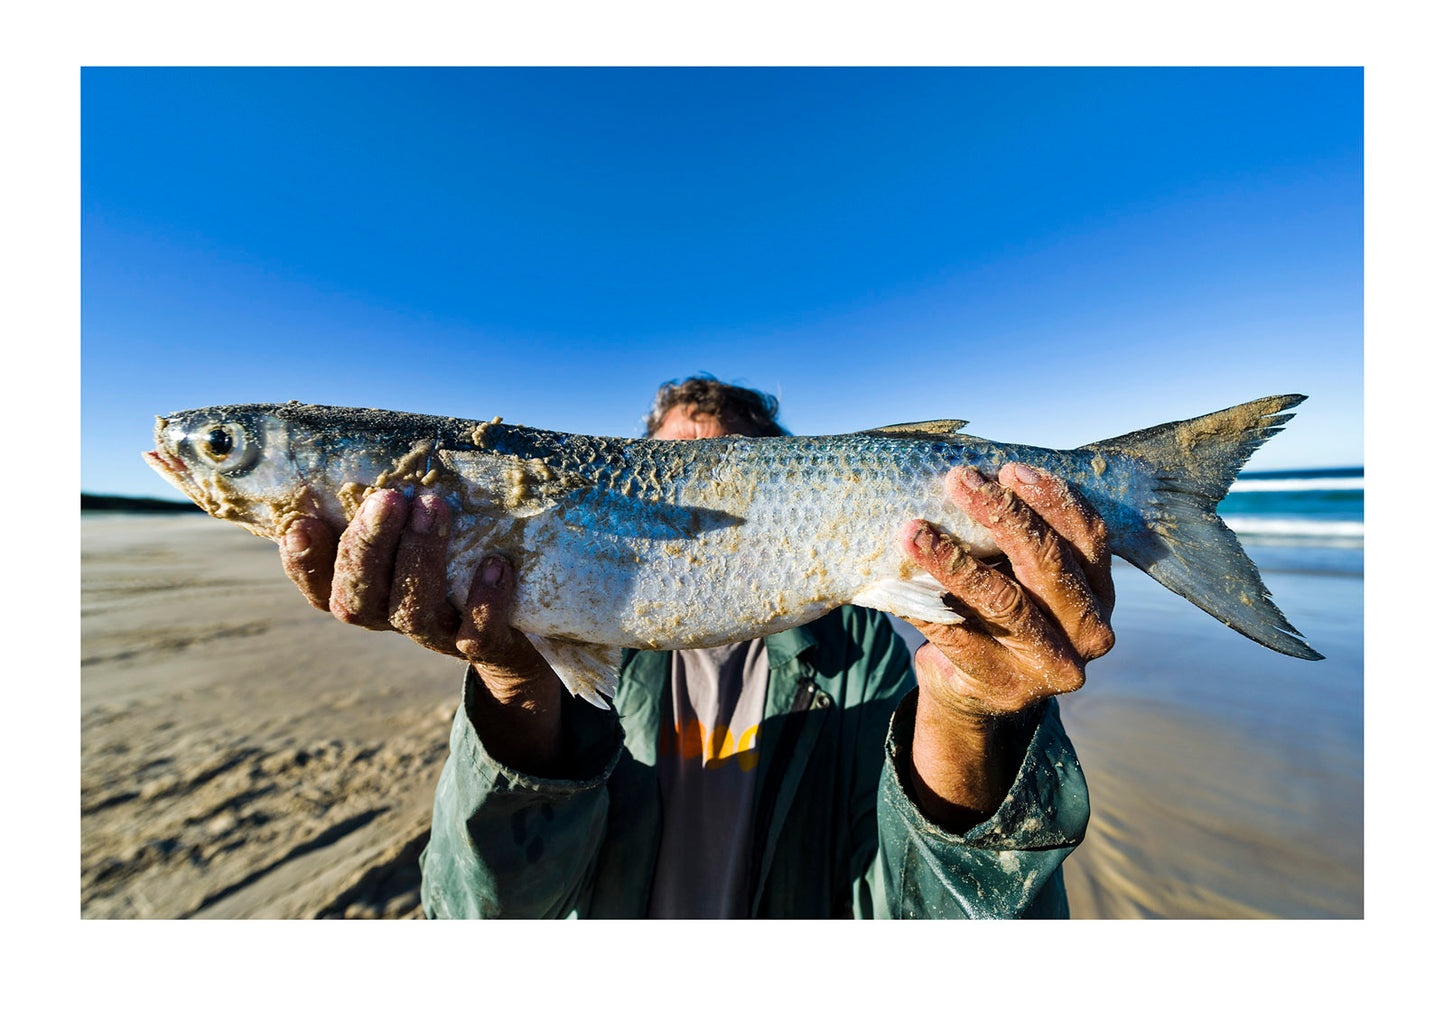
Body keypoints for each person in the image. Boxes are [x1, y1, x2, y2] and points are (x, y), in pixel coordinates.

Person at [278, 376, 1115, 918]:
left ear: (807, 474)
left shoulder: (865, 644)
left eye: (735, 466)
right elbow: (475, 918)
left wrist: (972, 717)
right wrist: (510, 683)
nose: (697, 490)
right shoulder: (560, 641)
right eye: (674, 470)